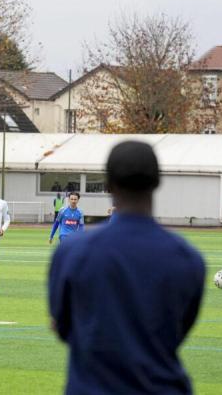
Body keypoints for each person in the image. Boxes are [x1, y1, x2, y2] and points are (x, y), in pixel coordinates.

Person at [48, 140, 205, 394]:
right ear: (157, 182)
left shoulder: (71, 252)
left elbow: (62, 326)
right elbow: (179, 330)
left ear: (108, 184)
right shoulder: (187, 257)